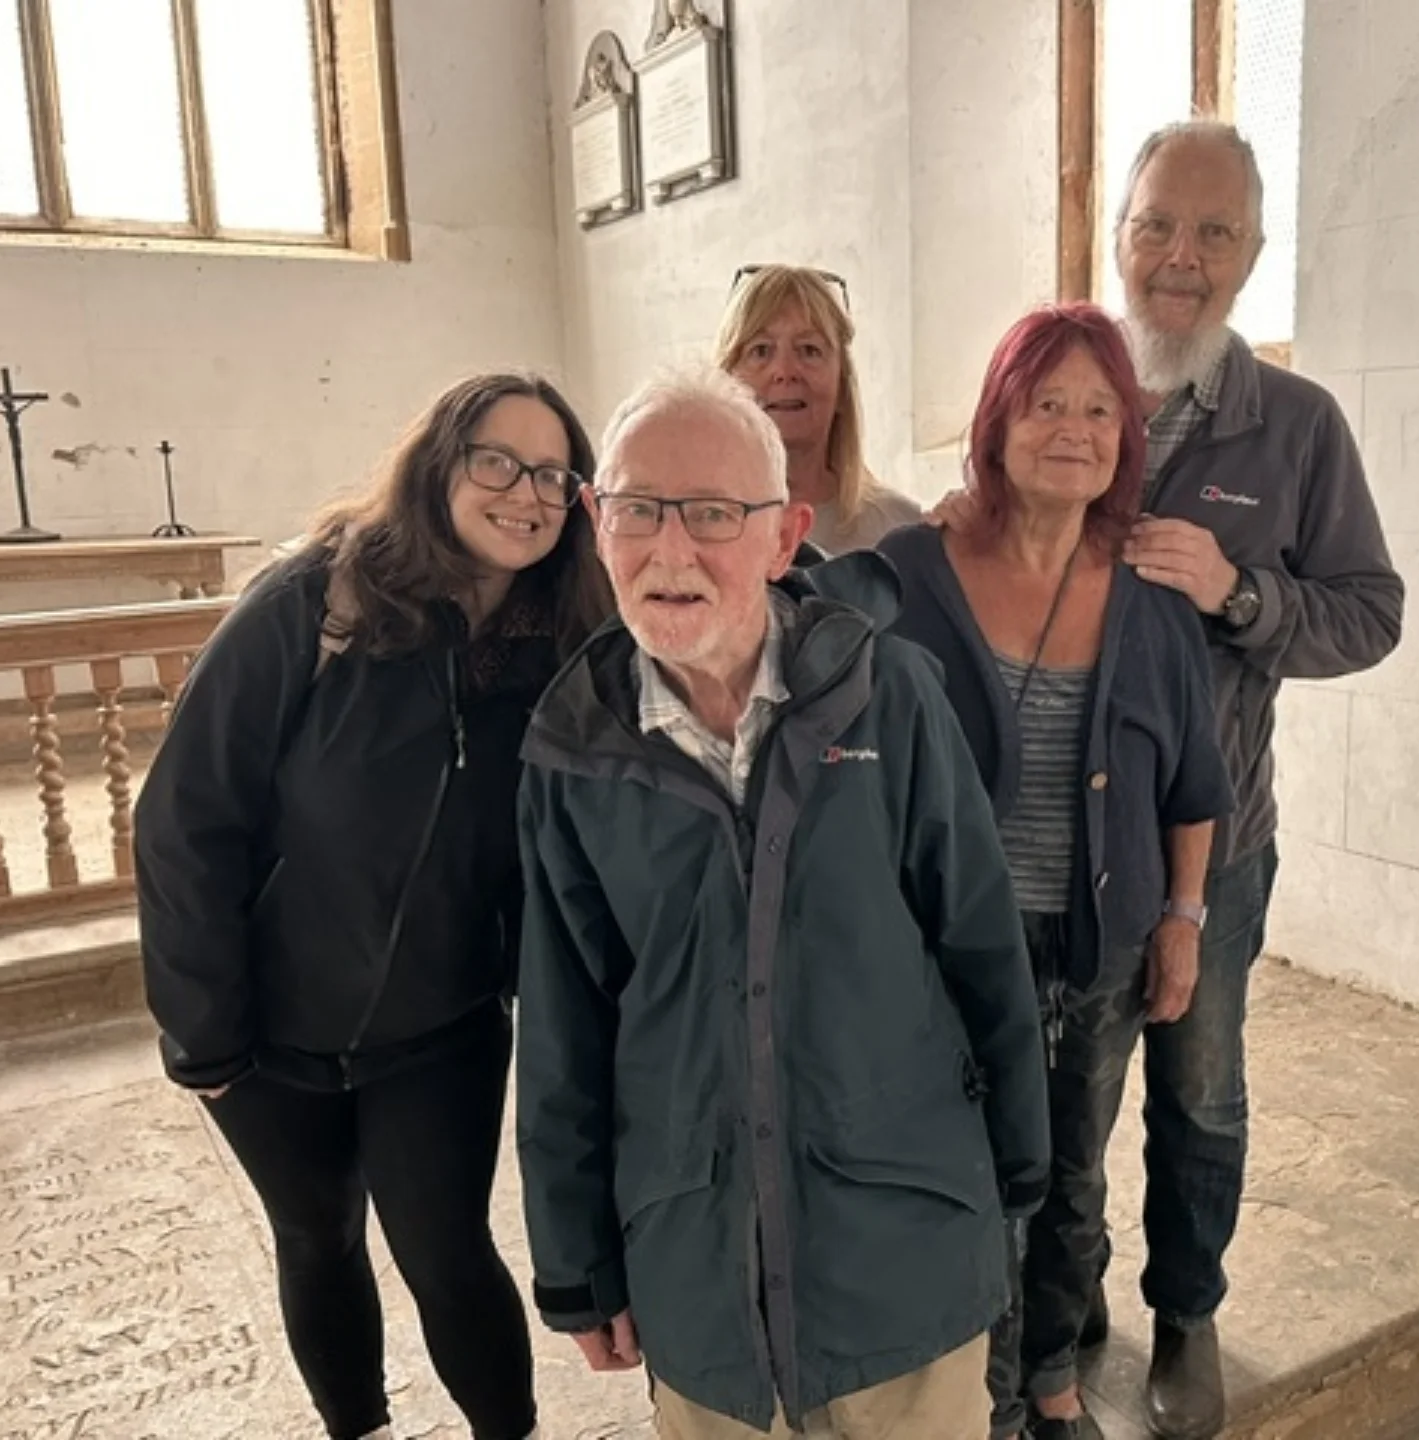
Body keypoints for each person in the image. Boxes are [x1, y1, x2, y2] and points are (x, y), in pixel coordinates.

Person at [934, 121, 1404, 1439]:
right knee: (1061, 1106)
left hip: (1211, 848)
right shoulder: (1062, 390)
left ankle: (1187, 1313)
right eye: (1156, 226)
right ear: (1118, 234)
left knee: (1198, 1094)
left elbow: (1369, 614)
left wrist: (1242, 591)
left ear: (1255, 250)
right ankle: (1068, 1328)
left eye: (1213, 231)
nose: (1179, 257)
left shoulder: (1297, 429)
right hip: (1050, 858)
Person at [512, 365, 1051, 1439]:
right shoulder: (572, 751)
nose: (672, 551)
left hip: (901, 1257)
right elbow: (565, 1020)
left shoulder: (890, 697)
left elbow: (982, 947)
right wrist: (575, 1262)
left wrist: (1016, 1179)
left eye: (714, 514)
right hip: (699, 1276)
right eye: (637, 512)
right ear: (593, 522)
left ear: (783, 533)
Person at [135, 372, 613, 1440]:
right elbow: (185, 820)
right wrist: (204, 1031)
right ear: (440, 463)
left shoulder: (569, 644)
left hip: (439, 1029)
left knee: (446, 1251)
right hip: (268, 1030)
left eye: (551, 472)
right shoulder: (318, 604)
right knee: (315, 1242)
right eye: (497, 460)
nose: (524, 492)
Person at [878, 304, 1231, 1440]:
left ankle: (1051, 1382)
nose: (1073, 429)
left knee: (1072, 1175)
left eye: (1100, 410)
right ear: (998, 418)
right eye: (1047, 403)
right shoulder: (908, 572)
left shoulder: (1149, 592)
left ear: (1126, 438)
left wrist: (1182, 918)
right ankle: (973, 1397)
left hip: (1100, 943)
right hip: (945, 953)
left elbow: (1195, 783)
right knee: (970, 1180)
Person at [715, 263, 922, 553]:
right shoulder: (688, 525)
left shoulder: (900, 531)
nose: (785, 371)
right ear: (726, 381)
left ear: (841, 384)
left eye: (809, 350)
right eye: (761, 350)